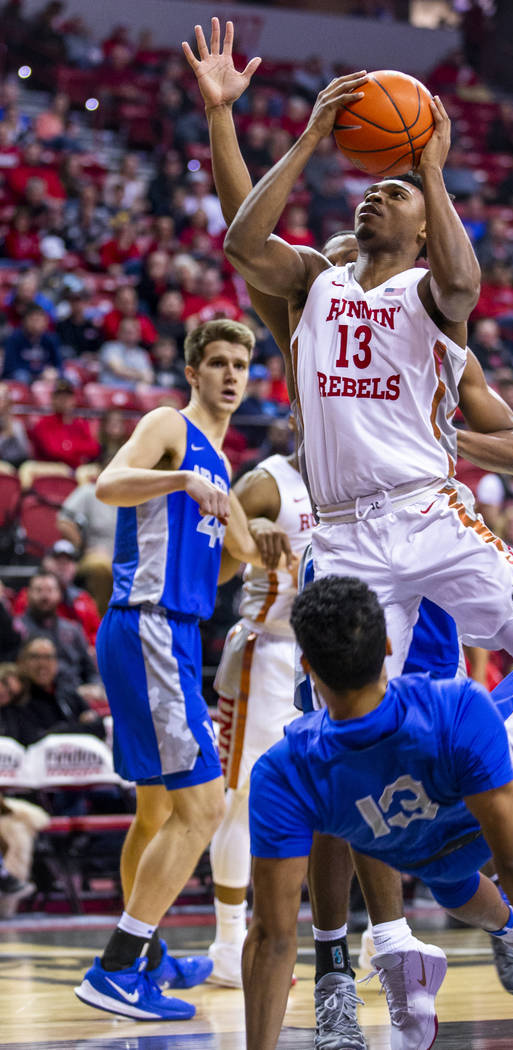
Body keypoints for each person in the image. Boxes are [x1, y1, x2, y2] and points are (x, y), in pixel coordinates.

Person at [183, 21, 513, 1043]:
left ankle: (493, 836)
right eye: (375, 185)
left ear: (416, 221)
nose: (374, 196)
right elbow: (239, 237)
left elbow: (463, 282)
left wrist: (431, 170)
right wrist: (251, 123)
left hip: (433, 515)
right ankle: (347, 951)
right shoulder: (310, 286)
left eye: (391, 191)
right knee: (333, 753)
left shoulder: (430, 295)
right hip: (350, 541)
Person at [244, 575, 513, 1050]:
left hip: (430, 858)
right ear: (389, 643)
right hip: (502, 795)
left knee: (449, 876)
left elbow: (271, 938)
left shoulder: (281, 773)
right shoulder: (455, 707)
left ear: (305, 666)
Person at [74, 318, 292, 1022]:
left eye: (242, 365)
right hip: (149, 625)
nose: (232, 375)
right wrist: (179, 478)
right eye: (219, 362)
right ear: (193, 371)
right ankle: (116, 967)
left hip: (170, 634)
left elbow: (226, 567)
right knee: (204, 807)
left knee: (159, 812)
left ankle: (148, 955)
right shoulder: (170, 426)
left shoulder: (224, 470)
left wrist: (252, 547)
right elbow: (109, 485)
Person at [207, 439, 314, 987]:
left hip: (330, 657)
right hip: (269, 653)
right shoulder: (268, 482)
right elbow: (216, 570)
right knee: (243, 800)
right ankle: (229, 943)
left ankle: (358, 938)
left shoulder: (359, 476)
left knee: (327, 802)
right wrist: (247, 539)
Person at [30, 378, 101, 470]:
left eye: (67, 396)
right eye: (59, 396)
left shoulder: (80, 423)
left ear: (73, 400)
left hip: (76, 470)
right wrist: (77, 453)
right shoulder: (43, 423)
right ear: (53, 399)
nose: (63, 400)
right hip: (51, 470)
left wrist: (68, 446)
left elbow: (94, 449)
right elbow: (53, 451)